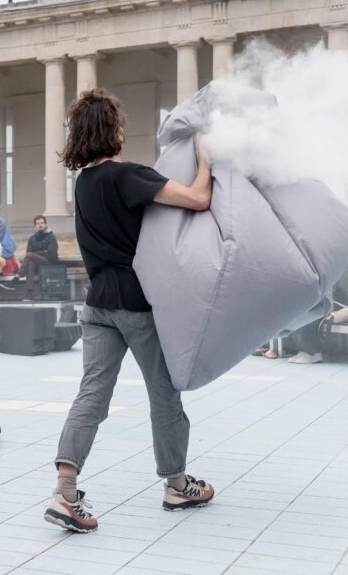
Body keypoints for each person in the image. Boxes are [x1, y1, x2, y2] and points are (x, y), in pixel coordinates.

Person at [44, 88, 215, 534]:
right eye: (118, 123)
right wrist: (206, 152)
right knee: (164, 395)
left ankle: (66, 491)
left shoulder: (82, 184)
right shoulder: (127, 176)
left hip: (97, 303)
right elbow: (198, 199)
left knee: (91, 396)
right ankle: (177, 484)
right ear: (110, 131)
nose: (123, 130)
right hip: (135, 303)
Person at [17, 215, 59, 301]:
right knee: (31, 263)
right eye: (38, 223)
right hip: (36, 265)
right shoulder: (32, 239)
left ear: (45, 224)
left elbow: (51, 254)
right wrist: (43, 251)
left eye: (42, 223)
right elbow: (29, 252)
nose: (40, 225)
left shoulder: (51, 237)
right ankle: (29, 293)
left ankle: (18, 275)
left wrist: (35, 254)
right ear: (35, 226)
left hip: (49, 263)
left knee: (30, 256)